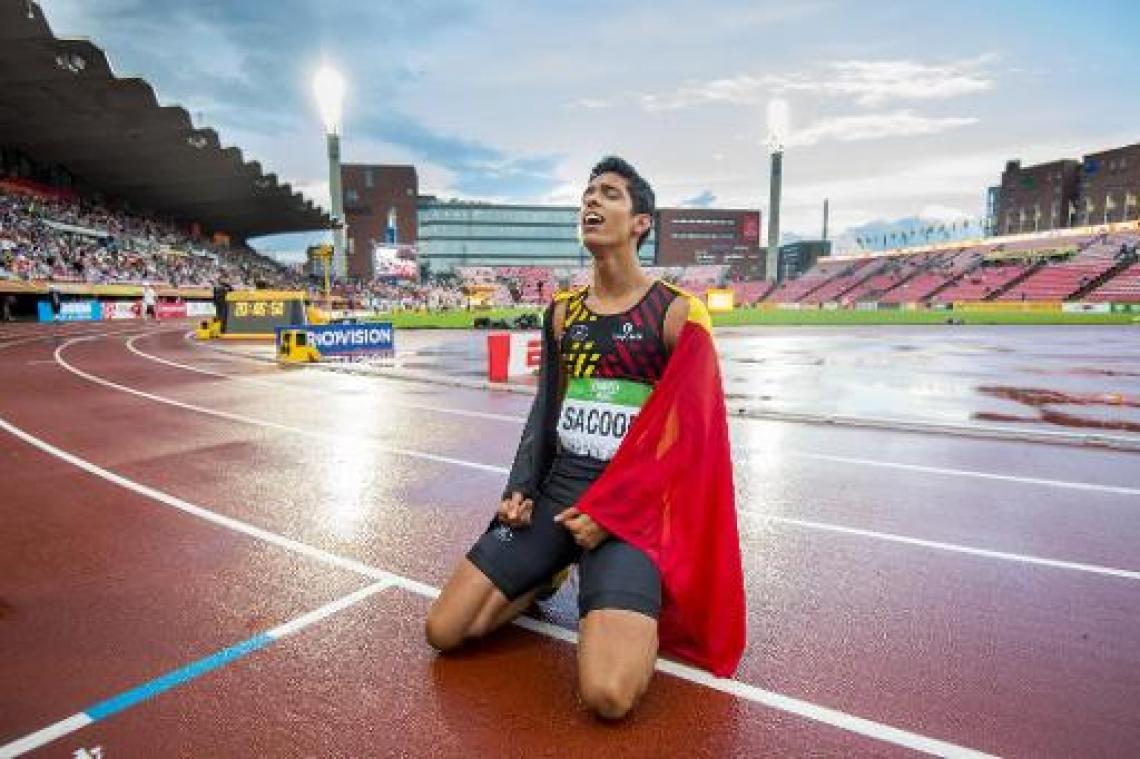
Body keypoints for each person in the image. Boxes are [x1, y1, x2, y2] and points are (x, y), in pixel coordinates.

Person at [426, 156, 745, 719]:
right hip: (560, 491)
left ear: (640, 223)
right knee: (446, 630)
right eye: (587, 194)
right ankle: (549, 572)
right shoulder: (562, 314)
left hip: (631, 511)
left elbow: (692, 441)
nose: (592, 202)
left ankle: (627, 596)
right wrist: (521, 487)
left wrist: (614, 512)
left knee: (607, 696)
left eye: (609, 194)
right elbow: (545, 410)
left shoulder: (678, 314)